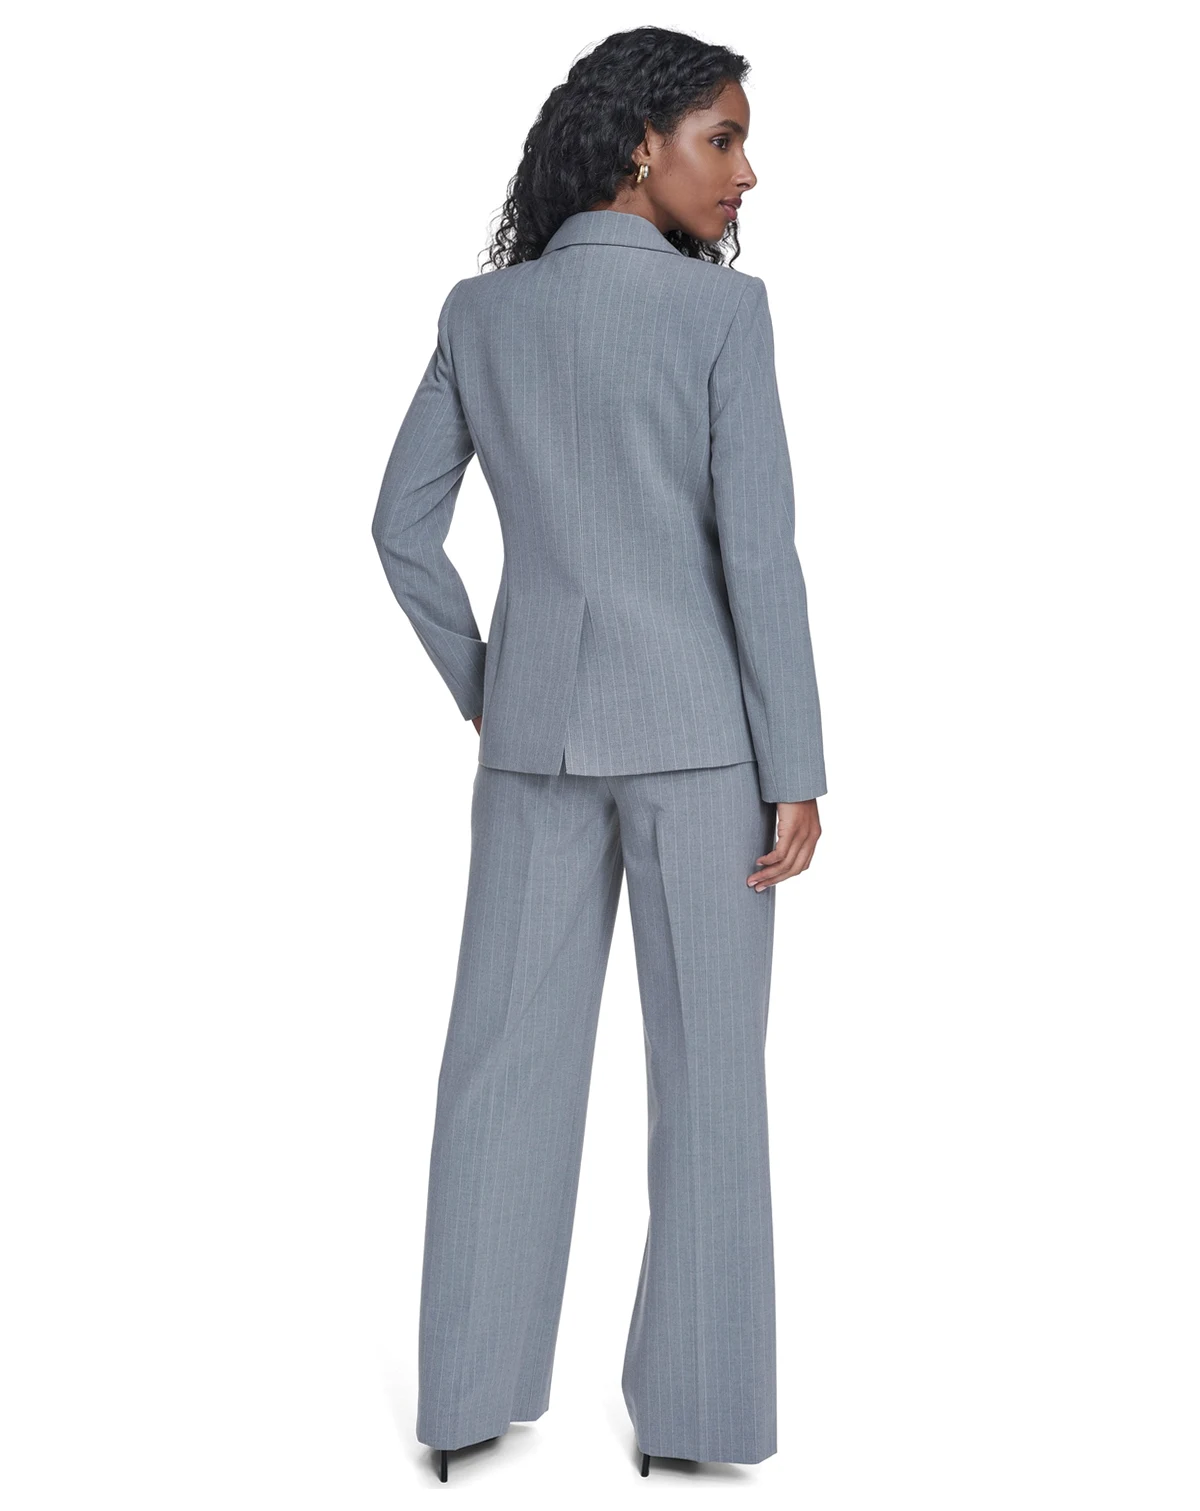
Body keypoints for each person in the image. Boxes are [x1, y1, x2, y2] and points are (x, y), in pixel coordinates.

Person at [370, 25, 827, 1482]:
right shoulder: (722, 318)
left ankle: (464, 1401)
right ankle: (697, 1422)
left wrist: (488, 683)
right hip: (704, 752)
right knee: (711, 1087)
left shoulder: (482, 312)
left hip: (535, 743)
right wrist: (798, 763)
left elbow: (399, 529)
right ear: (642, 144)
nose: (746, 173)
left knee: (499, 1068)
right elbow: (760, 557)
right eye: (722, 138)